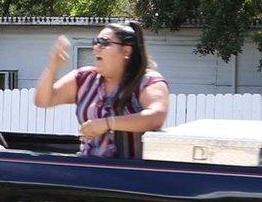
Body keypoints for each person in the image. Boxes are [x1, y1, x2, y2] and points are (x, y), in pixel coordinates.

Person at [34, 19, 169, 158]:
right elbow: (43, 100)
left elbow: (156, 116)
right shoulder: (84, 78)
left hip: (132, 175)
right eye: (96, 42)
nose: (96, 47)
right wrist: (53, 68)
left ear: (126, 51)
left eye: (104, 42)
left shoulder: (147, 81)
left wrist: (107, 123)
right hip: (89, 172)